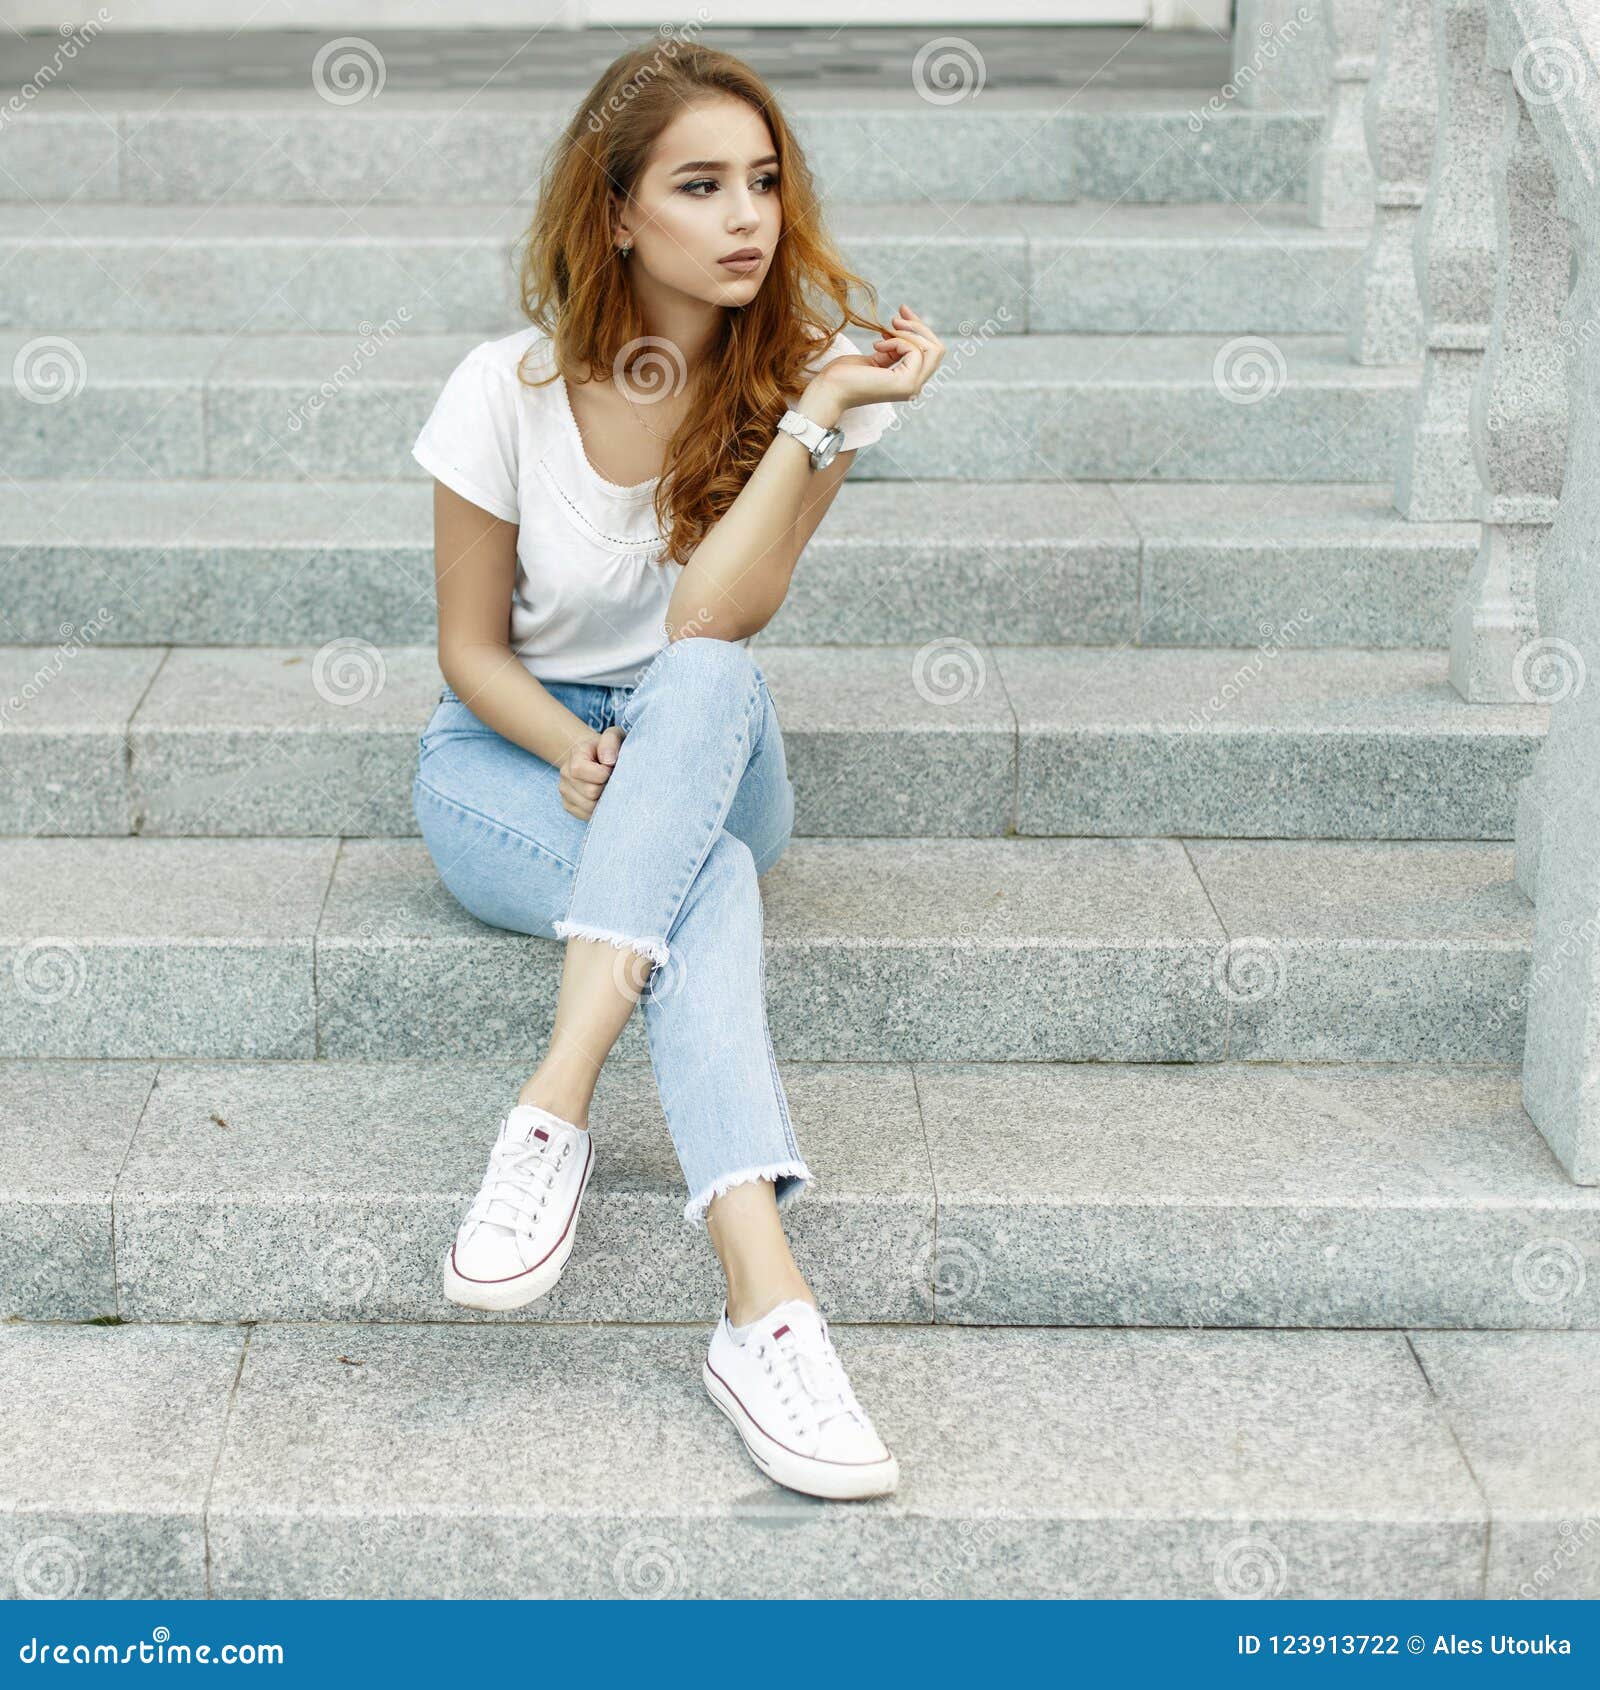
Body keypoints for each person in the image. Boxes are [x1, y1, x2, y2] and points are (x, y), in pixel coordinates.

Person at [408, 39, 944, 1502]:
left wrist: (824, 411)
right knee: (694, 883)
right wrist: (572, 743)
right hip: (516, 755)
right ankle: (767, 1309)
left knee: (702, 675)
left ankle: (555, 1099)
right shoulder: (499, 392)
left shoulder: (806, 391)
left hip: (709, 745)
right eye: (701, 185)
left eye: (764, 181)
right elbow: (468, 651)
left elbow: (711, 618)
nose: (747, 216)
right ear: (618, 213)